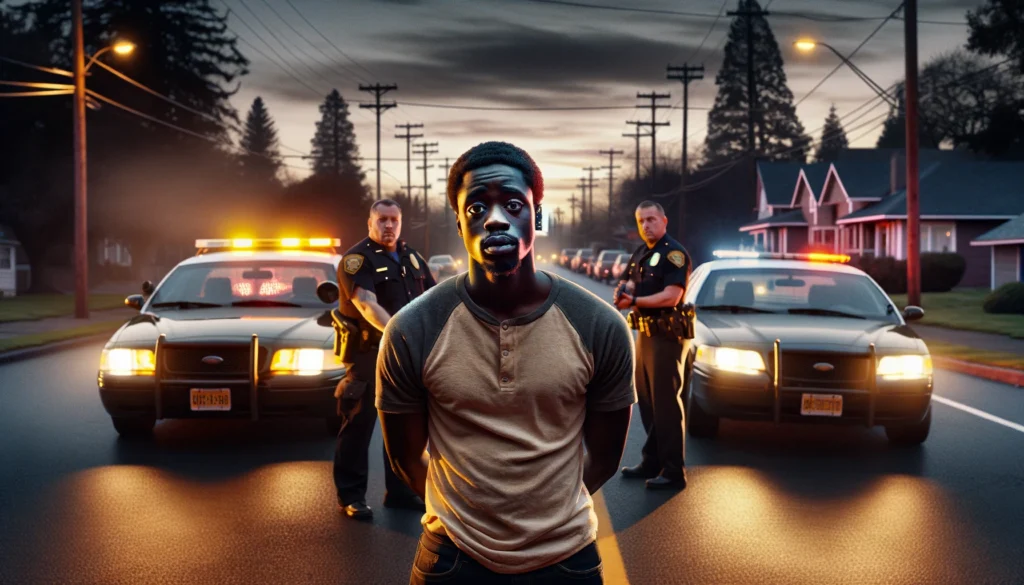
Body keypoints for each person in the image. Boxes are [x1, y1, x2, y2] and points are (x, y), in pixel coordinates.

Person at [375, 141, 635, 584]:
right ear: (459, 224)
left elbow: (606, 456)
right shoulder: (412, 329)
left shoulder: (599, 325)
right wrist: (468, 520)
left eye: (513, 204)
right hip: (452, 559)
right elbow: (403, 459)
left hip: (568, 560)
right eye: (476, 208)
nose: (495, 219)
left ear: (536, 215)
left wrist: (546, 519)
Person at [333, 198, 436, 519]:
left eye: (394, 220)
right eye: (382, 220)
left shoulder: (412, 258)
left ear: (401, 222)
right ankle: (351, 496)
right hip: (367, 355)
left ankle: (401, 491)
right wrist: (400, 332)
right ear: (370, 223)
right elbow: (365, 304)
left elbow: (434, 300)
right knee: (358, 425)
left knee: (403, 426)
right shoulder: (356, 259)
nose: (388, 225)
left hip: (405, 358)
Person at [614, 200, 692, 490]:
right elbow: (627, 284)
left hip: (668, 336)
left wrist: (633, 301)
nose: (646, 225)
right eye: (641, 221)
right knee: (647, 402)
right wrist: (623, 293)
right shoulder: (641, 253)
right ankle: (652, 460)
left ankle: (674, 471)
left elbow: (671, 296)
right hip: (645, 335)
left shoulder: (673, 254)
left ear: (664, 220)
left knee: (666, 405)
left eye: (651, 219)